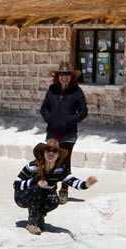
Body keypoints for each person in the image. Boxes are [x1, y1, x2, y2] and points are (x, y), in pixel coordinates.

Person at [13, 138, 98, 234]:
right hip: (22, 197)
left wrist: (87, 184)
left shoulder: (60, 169)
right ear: (43, 152)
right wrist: (34, 182)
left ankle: (39, 216)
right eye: (48, 150)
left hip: (40, 196)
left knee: (55, 199)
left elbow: (73, 181)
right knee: (36, 189)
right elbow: (16, 184)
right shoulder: (32, 166)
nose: (51, 153)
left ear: (58, 155)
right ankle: (32, 222)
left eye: (54, 151)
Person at [39, 61, 88, 204]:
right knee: (51, 160)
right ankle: (51, 189)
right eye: (61, 74)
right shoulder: (52, 90)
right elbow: (44, 108)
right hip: (53, 132)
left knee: (65, 162)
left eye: (67, 74)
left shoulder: (77, 91)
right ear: (57, 76)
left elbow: (83, 111)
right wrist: (50, 119)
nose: (64, 77)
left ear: (71, 76)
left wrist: (70, 120)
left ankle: (64, 189)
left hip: (69, 133)